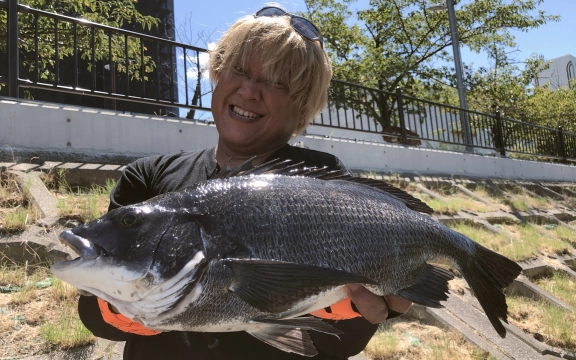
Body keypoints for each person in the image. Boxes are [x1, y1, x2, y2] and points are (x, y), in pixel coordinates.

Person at [77, 6, 411, 359]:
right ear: (219, 74)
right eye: (238, 70)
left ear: (302, 107)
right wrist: (133, 300)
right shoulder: (147, 177)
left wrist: (345, 307)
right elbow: (95, 319)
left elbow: (336, 343)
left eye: (277, 82)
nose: (250, 90)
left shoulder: (326, 186)